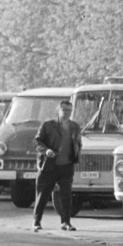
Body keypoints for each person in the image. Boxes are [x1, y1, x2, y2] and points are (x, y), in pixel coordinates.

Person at [33, 97, 82, 233]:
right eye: (64, 110)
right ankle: (36, 222)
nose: (66, 113)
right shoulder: (48, 125)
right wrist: (46, 150)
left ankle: (65, 222)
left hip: (66, 166)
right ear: (58, 111)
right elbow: (37, 141)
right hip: (49, 166)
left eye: (69, 111)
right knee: (43, 194)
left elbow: (78, 143)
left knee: (66, 196)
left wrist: (76, 157)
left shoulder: (75, 126)